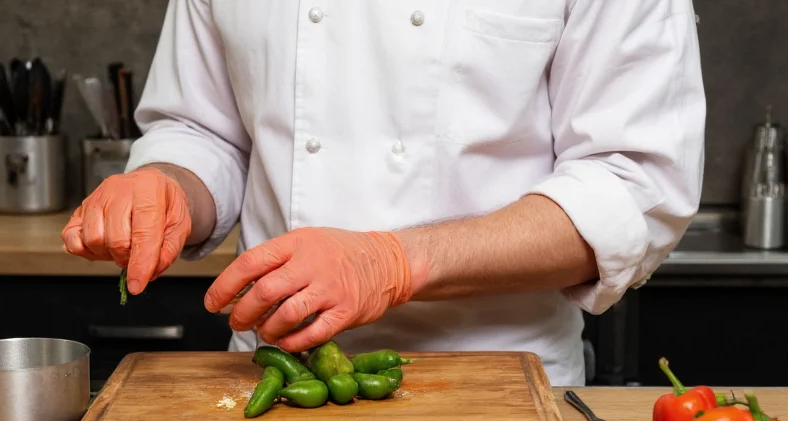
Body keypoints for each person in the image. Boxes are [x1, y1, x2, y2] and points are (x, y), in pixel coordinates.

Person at [62, 1, 706, 386]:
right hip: (278, 376)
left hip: (493, 387)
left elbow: (634, 186)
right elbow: (204, 128)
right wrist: (171, 184)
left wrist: (391, 262)